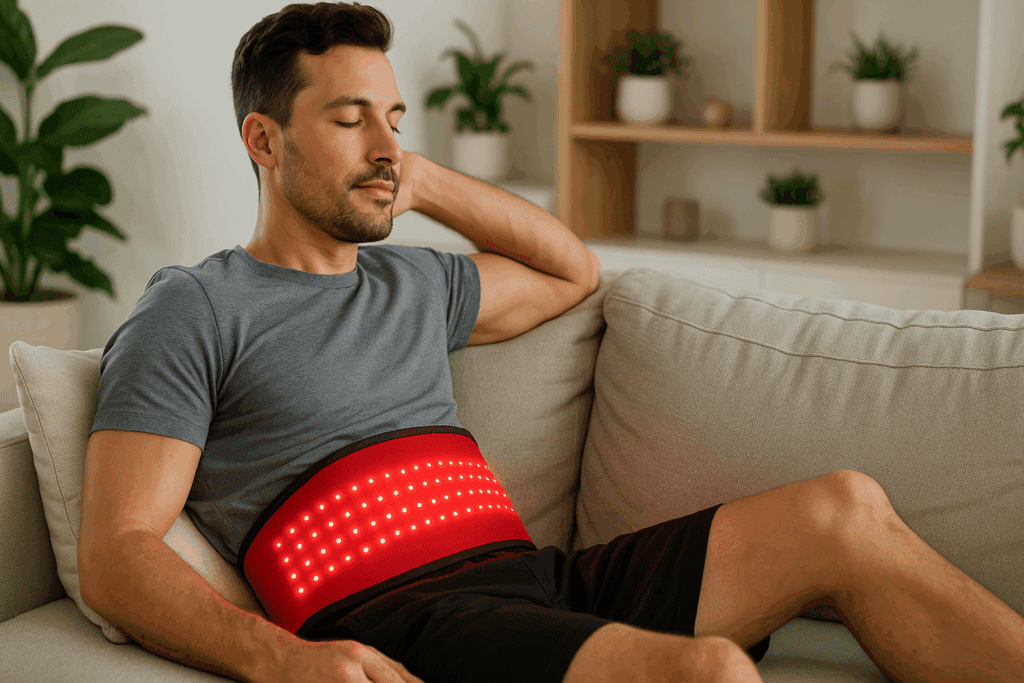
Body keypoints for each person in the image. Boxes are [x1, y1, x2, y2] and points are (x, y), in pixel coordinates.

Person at [77, 3, 1024, 683]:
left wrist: (426, 183)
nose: (386, 144)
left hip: (536, 581)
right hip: (410, 620)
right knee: (712, 672)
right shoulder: (197, 309)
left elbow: (574, 271)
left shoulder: (416, 280)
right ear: (265, 139)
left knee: (845, 509)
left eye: (395, 118)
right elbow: (118, 551)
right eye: (349, 117)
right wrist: (285, 660)